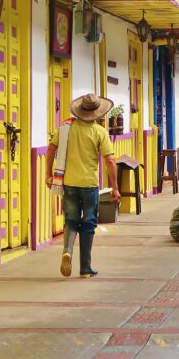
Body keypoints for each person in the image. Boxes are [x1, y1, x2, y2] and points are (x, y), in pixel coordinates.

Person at [46, 94, 120, 278]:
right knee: (88, 224)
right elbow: (110, 160)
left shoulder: (65, 129)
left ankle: (68, 250)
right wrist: (115, 187)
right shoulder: (99, 132)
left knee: (71, 220)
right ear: (96, 113)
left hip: (69, 182)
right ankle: (85, 268)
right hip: (89, 184)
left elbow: (50, 149)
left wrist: (48, 174)